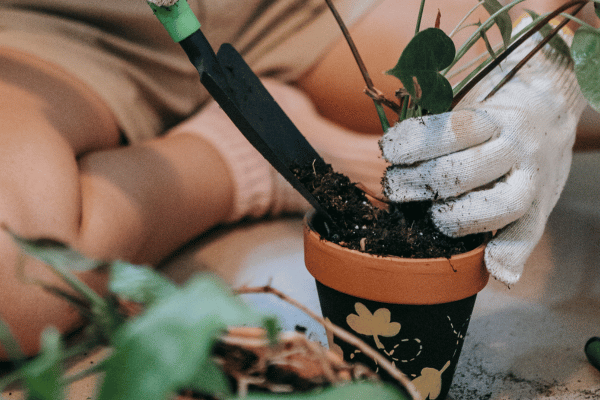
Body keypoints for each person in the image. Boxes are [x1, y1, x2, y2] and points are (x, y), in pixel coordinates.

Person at [0, 0, 598, 359]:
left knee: (523, 64)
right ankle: (238, 153)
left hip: (283, 11)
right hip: (49, 27)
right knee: (21, 284)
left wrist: (552, 90)